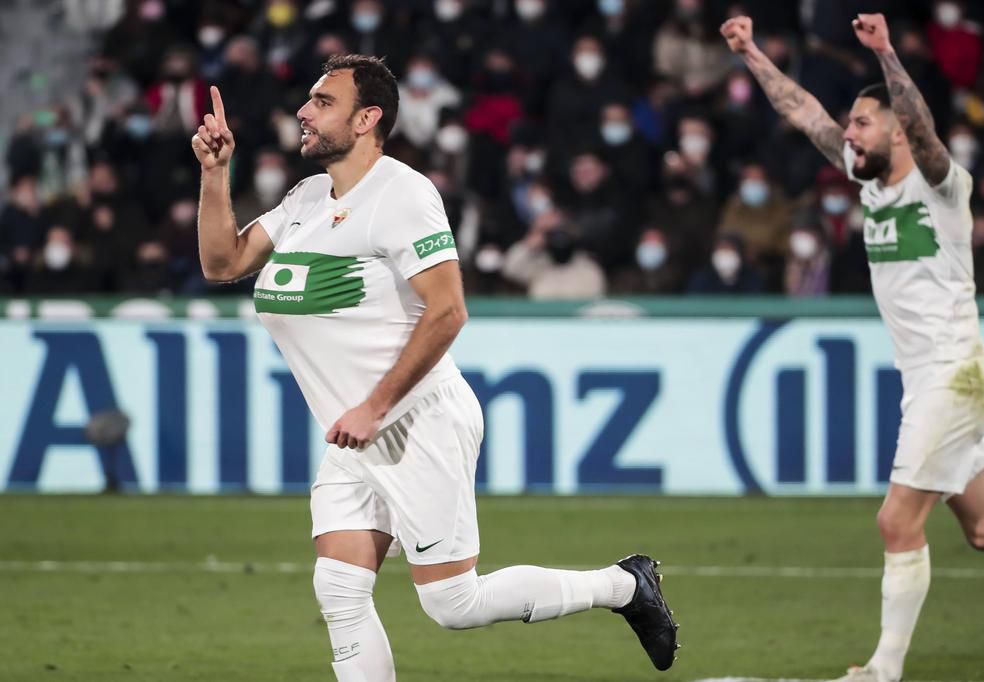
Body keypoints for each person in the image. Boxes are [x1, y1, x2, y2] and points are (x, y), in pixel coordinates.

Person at [190, 54, 679, 680]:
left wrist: (376, 406)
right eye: (308, 99)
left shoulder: (404, 194)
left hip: (414, 422)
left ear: (368, 118)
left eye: (322, 101)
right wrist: (215, 171)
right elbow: (222, 263)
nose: (303, 112)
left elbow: (449, 311)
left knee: (452, 603)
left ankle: (624, 586)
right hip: (354, 436)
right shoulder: (307, 197)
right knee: (340, 591)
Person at [722, 13, 984, 682]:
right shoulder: (867, 182)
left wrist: (887, 52)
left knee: (896, 522)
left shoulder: (943, 188)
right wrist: (749, 54)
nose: (849, 131)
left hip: (954, 375)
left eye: (862, 122)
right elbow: (803, 111)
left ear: (896, 131)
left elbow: (922, 128)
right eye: (852, 123)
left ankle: (884, 670)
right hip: (933, 378)